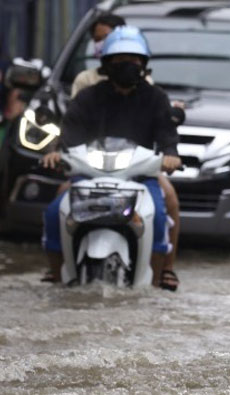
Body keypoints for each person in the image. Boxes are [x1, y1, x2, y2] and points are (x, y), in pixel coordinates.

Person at [40, 26, 182, 288]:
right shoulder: (88, 97)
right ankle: (56, 273)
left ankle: (159, 276)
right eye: (120, 60)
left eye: (133, 60)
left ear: (143, 64)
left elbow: (167, 135)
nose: (127, 66)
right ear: (106, 64)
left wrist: (171, 156)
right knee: (53, 212)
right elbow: (69, 134)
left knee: (160, 215)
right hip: (90, 173)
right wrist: (56, 154)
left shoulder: (156, 98)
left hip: (139, 174)